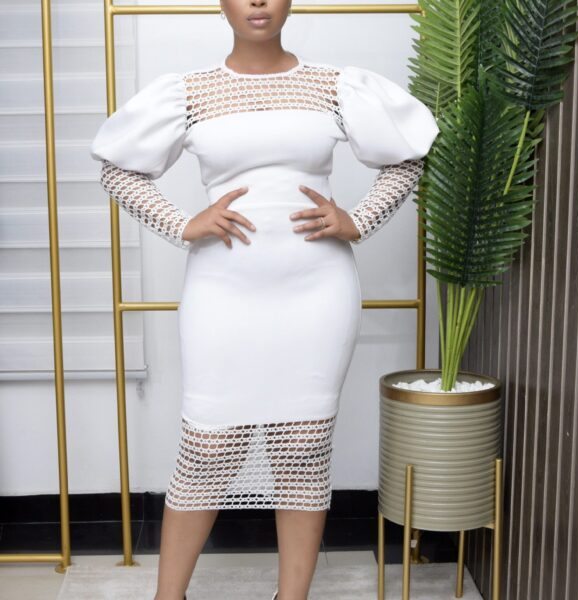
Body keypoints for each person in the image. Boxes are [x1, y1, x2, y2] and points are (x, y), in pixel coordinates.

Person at [89, 0, 439, 597]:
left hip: (317, 290)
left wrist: (358, 219)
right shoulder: (189, 92)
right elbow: (117, 169)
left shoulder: (333, 86)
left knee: (303, 447)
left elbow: (408, 157)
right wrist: (182, 224)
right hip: (222, 291)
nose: (258, 2)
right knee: (209, 447)